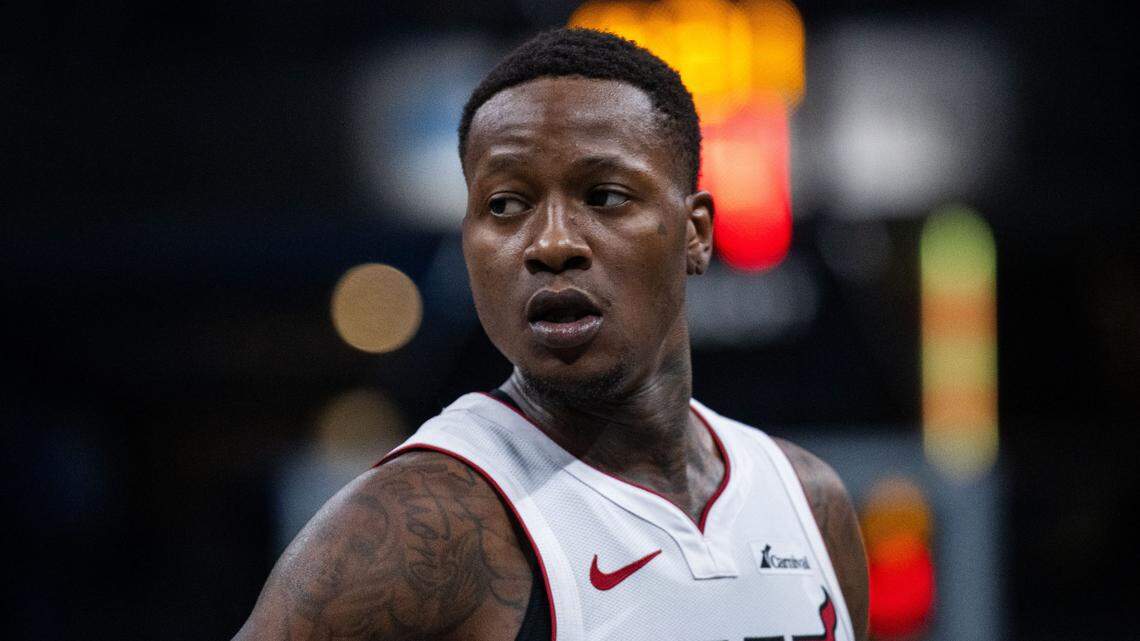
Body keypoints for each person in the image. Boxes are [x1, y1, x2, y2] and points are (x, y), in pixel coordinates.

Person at [235, 28, 868, 641]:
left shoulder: (808, 503)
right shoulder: (420, 524)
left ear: (696, 234)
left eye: (605, 196)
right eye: (506, 205)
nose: (553, 243)